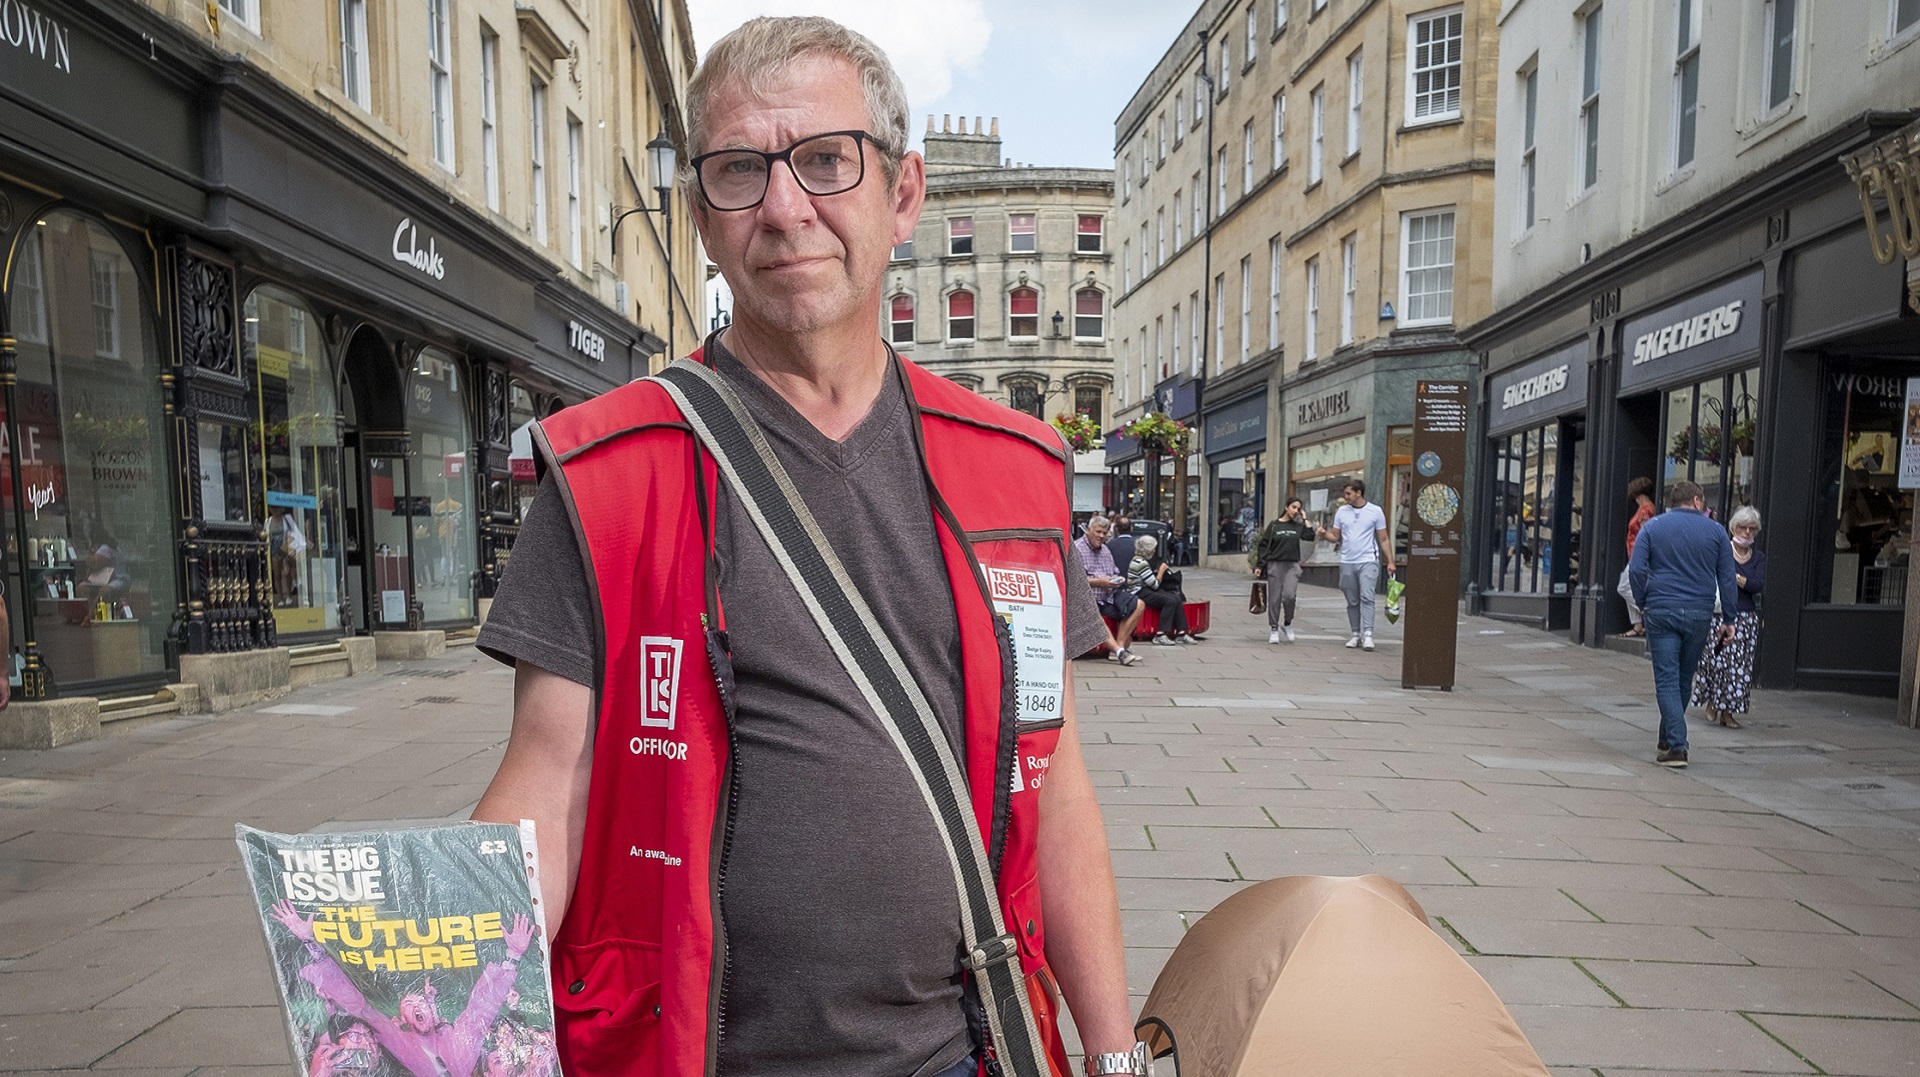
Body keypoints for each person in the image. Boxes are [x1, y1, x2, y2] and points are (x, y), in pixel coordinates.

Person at [469, 18, 1134, 1077]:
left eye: (826, 161)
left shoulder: (1017, 470)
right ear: (700, 214)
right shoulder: (604, 474)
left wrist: (1113, 1052)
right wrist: (425, 1000)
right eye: (740, 171)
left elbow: (1049, 784)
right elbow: (548, 786)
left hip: (966, 1054)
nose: (785, 208)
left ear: (902, 194)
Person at [1629, 480, 1739, 768]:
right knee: (1682, 678)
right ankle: (1666, 741)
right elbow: (1727, 579)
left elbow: (1637, 569)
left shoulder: (1652, 527)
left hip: (1661, 609)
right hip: (1699, 613)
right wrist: (1729, 619)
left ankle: (1676, 745)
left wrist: (1644, 602)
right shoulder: (1716, 531)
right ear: (1697, 500)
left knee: (1666, 678)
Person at [1692, 506, 1767, 728]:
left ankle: (1728, 712)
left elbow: (1757, 585)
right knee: (1717, 661)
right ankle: (1713, 703)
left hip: (1746, 618)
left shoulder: (1758, 558)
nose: (1747, 533)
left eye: (1752, 529)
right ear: (1734, 528)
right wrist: (1740, 580)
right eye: (1743, 528)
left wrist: (1733, 577)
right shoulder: (1722, 551)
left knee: (1739, 669)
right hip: (1720, 616)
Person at [1317, 480, 1395, 651]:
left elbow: (1383, 538)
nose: (1345, 497)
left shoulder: (1375, 511)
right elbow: (1336, 536)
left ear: (1358, 493)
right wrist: (1324, 535)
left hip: (1368, 559)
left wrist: (1390, 561)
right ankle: (1355, 634)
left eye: (1348, 494)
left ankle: (1368, 634)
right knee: (1352, 600)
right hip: (1347, 560)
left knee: (1367, 596)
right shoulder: (1341, 512)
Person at [1079, 514, 1148, 665]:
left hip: (1109, 594)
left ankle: (1119, 647)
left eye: (1104, 533)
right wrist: (1099, 582)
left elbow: (1114, 571)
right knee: (1092, 611)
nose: (1101, 536)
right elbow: (1075, 580)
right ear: (1089, 530)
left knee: (1138, 604)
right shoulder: (1077, 549)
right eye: (1098, 532)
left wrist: (1117, 579)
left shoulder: (1105, 550)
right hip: (1088, 597)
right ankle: (1119, 652)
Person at [1252, 497, 1312, 643]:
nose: (1295, 511)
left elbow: (1309, 536)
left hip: (1292, 565)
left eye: (1298, 508)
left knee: (1289, 596)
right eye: (1293, 507)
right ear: (1286, 507)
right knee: (1274, 598)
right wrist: (1260, 565)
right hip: (1275, 564)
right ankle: (1274, 628)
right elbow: (1264, 545)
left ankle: (1287, 623)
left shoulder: (1297, 526)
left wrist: (1305, 519)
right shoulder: (1274, 526)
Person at [1127, 535, 1194, 644]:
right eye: (1153, 548)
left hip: (1144, 590)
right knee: (1170, 601)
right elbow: (1155, 585)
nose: (1154, 551)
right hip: (1139, 592)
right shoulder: (1141, 563)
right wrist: (1162, 571)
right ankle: (1160, 634)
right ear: (1148, 550)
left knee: (1176, 598)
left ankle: (1181, 632)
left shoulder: (1139, 561)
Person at [1617, 477, 1656, 637]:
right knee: (1630, 586)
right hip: (1634, 555)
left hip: (1639, 556)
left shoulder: (1646, 510)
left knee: (1623, 586)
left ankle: (1649, 613)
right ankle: (1637, 625)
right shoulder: (1644, 509)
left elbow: (1646, 534)